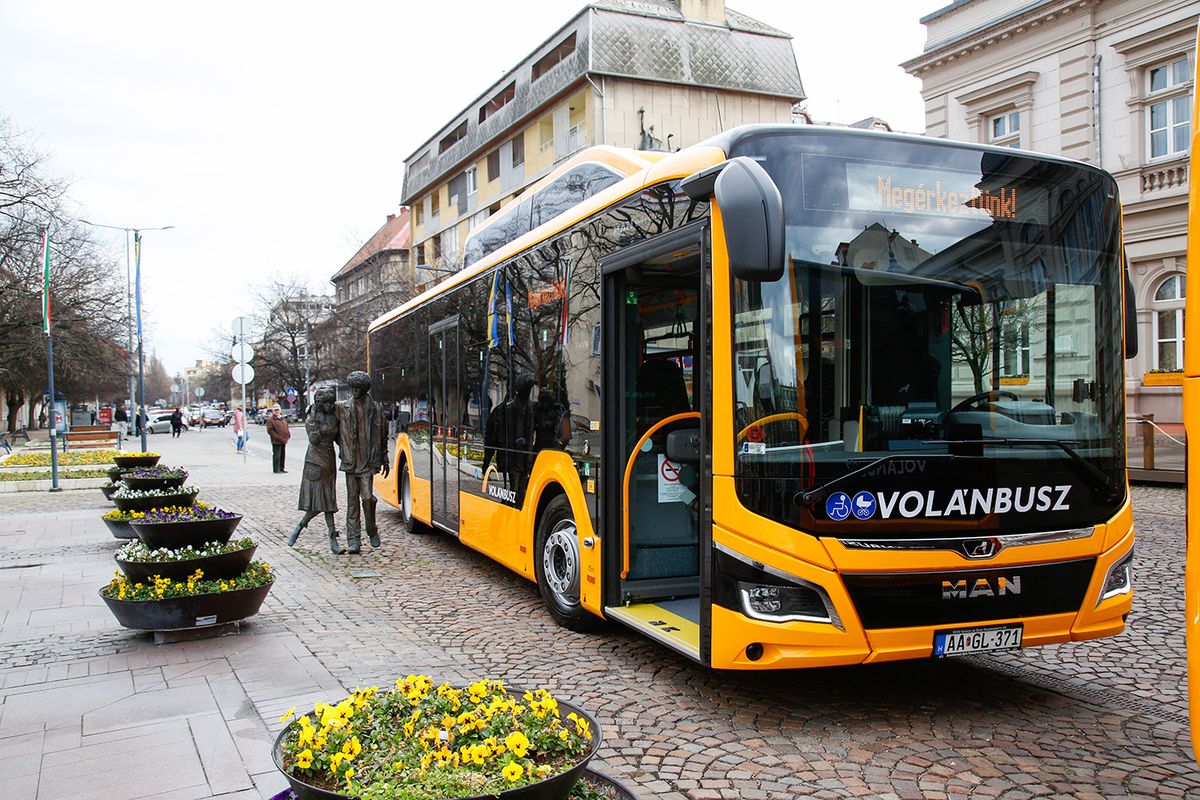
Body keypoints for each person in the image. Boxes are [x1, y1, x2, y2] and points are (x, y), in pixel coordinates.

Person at [335, 371, 389, 554]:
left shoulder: (376, 409)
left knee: (367, 498)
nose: (355, 391)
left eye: (359, 388)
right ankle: (353, 539)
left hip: (368, 461)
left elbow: (383, 436)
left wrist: (384, 457)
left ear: (366, 389)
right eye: (353, 387)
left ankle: (371, 528)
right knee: (352, 502)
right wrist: (344, 447)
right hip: (351, 461)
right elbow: (331, 429)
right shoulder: (342, 408)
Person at [288, 388, 344, 553]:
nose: (330, 405)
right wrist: (312, 417)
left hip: (329, 460)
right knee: (320, 502)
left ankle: (330, 539)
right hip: (315, 461)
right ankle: (303, 527)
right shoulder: (312, 419)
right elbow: (314, 439)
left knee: (329, 501)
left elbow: (339, 439)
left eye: (331, 402)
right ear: (320, 404)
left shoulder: (333, 417)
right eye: (327, 403)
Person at [267, 404, 291, 473]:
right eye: (275, 410)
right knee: (277, 455)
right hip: (276, 441)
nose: (277, 411)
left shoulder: (283, 419)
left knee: (282, 455)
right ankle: (276, 469)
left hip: (284, 440)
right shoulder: (270, 420)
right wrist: (277, 437)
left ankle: (281, 468)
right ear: (273, 411)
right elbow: (270, 430)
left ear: (280, 411)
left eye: (278, 410)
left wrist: (288, 435)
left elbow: (286, 427)